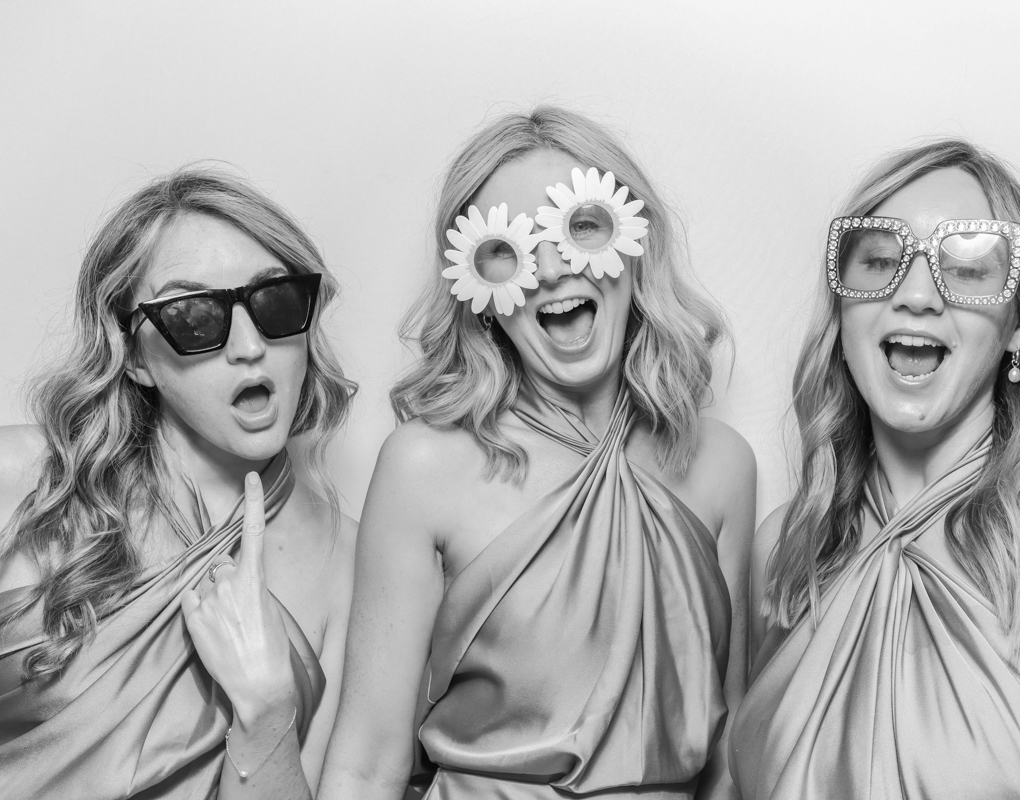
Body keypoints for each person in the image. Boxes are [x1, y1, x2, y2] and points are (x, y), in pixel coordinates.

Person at [729, 139, 1020, 799]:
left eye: (970, 267)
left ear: (1017, 326)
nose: (917, 294)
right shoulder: (787, 547)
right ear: (844, 311)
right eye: (882, 261)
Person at [319, 106, 756, 800]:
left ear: (632, 243)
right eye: (512, 248)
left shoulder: (720, 467)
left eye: (579, 227)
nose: (551, 268)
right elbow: (367, 763)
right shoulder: (425, 467)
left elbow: (727, 763)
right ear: (480, 293)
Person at [0, 168, 358, 799]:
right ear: (135, 357)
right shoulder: (21, 480)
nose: (248, 347)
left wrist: (266, 708)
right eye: (193, 317)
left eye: (275, 302)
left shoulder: (354, 567)